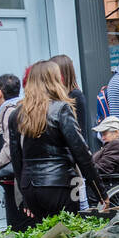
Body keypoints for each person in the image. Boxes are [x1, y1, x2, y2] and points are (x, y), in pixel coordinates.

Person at [9, 59, 105, 224]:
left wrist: (25, 194)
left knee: (47, 237)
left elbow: (16, 159)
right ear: (54, 80)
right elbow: (81, 153)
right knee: (69, 234)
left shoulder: (17, 114)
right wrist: (100, 192)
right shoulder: (61, 109)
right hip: (60, 184)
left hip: (31, 187)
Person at [0, 73, 23, 229]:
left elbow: (10, 146)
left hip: (14, 178)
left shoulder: (9, 111)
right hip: (19, 177)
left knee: (16, 222)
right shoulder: (21, 106)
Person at [90, 116, 119, 184]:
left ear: (116, 133)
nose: (102, 138)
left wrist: (85, 168)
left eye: (104, 134)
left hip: (106, 183)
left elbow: (103, 168)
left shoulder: (116, 145)